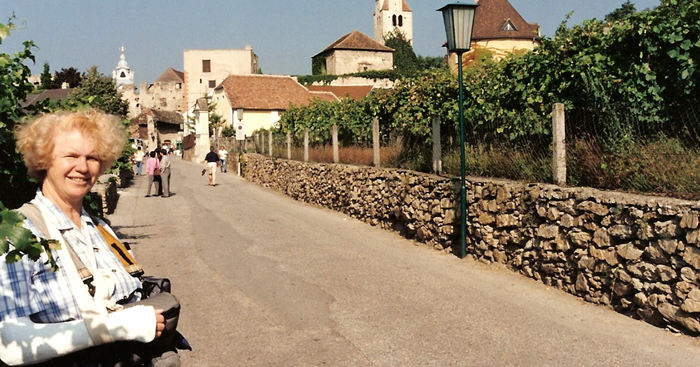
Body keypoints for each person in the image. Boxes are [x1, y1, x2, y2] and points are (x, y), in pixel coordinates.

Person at [5, 109, 167, 365]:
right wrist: (114, 328)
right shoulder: (18, 235)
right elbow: (10, 344)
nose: (82, 167)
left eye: (92, 158)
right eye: (71, 156)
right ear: (44, 160)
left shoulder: (101, 230)